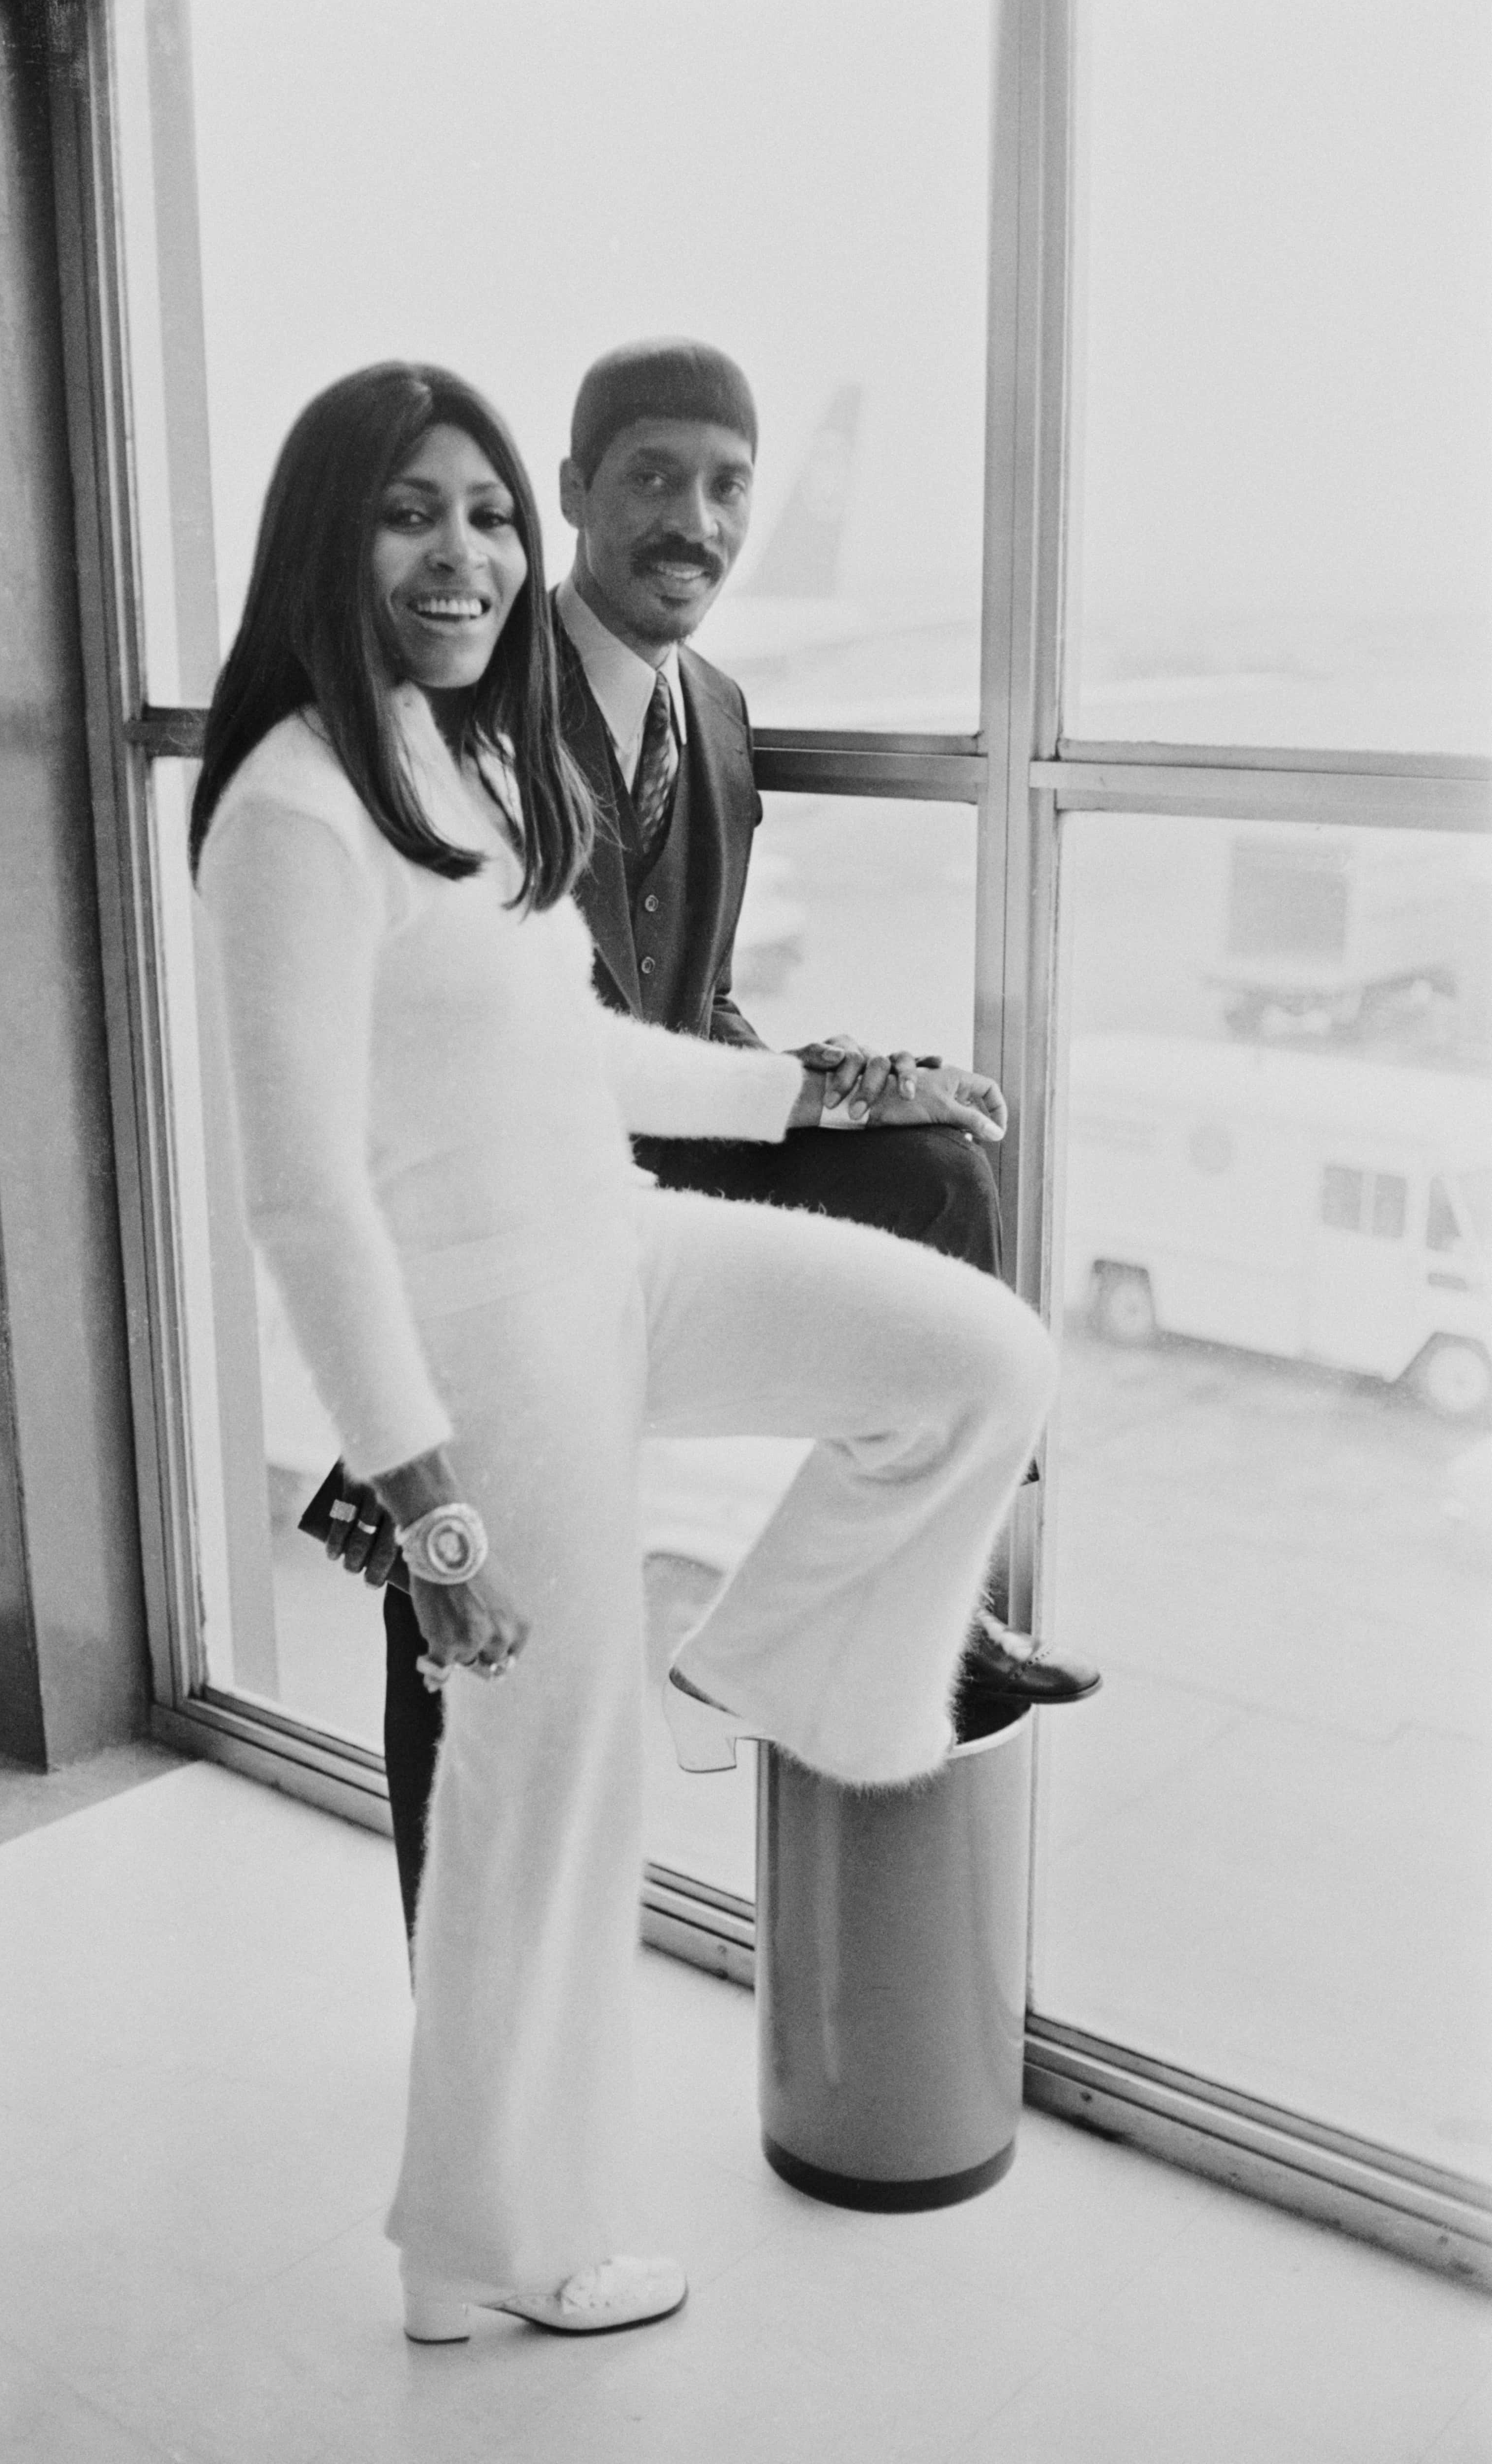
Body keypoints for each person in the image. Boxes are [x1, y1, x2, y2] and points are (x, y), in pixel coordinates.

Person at [195, 362, 1055, 2341]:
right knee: (538, 1801)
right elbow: (306, 1203)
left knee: (978, 1366)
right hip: (491, 1346)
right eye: (418, 512)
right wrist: (425, 1507)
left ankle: (760, 1664)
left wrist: (806, 1103)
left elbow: (563, 1045)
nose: (467, 553)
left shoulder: (447, 761)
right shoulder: (290, 812)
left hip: (622, 1247)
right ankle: (487, 2254)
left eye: (487, 515)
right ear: (330, 534)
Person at [341, 341, 1094, 1939]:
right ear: (574, 496)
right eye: (656, 480)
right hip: (509, 1204)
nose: (696, 521)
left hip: (661, 1153)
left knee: (940, 1171)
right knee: (470, 1589)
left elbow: (699, 997)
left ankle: (898, 1616)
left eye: (725, 486)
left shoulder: (717, 710)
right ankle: (446, 1954)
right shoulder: (465, 709)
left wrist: (851, 1084)